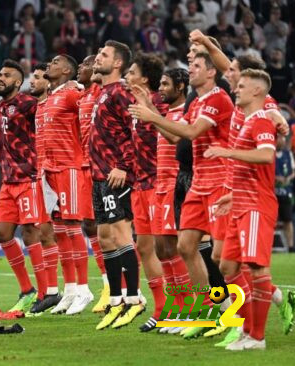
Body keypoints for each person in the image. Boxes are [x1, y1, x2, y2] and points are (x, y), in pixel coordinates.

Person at [129, 52, 234, 334]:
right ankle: (203, 310)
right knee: (184, 247)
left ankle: (243, 307)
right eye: (191, 65)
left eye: (197, 66)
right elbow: (176, 136)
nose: (191, 70)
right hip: (198, 183)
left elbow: (192, 132)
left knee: (223, 259)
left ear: (211, 72)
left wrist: (152, 114)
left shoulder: (218, 98)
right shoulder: (197, 102)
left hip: (219, 182)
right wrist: (151, 110)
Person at [205, 69, 295, 351]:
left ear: (257, 91)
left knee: (256, 270)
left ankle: (256, 337)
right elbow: (249, 170)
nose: (236, 89)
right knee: (227, 266)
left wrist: (227, 152)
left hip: (256, 206)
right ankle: (247, 330)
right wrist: (231, 197)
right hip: (240, 204)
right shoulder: (247, 121)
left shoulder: (261, 121)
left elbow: (267, 155)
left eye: (242, 86)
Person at [91, 42, 143, 330]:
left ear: (118, 64)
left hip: (116, 175)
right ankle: (115, 300)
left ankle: (134, 299)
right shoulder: (103, 92)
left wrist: (123, 166)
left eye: (104, 55)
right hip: (99, 176)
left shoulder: (121, 92)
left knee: (121, 234)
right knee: (105, 237)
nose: (98, 57)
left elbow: (135, 129)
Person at [41, 54, 93, 315]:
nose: (48, 65)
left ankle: (84, 288)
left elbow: (90, 104)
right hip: (51, 170)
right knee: (59, 230)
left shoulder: (73, 94)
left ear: (65, 70)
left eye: (54, 62)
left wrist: (84, 87)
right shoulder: (52, 96)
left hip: (70, 168)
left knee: (72, 227)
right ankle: (70, 288)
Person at [0, 59, 47, 314]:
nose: (0, 78)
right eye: (0, 74)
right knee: (3, 235)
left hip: (28, 178)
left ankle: (46, 292)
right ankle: (27, 290)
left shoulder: (28, 104)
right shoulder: (0, 107)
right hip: (8, 181)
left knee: (30, 234)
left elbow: (47, 115)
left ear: (18, 82)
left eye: (6, 75)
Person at [124, 52, 169, 332]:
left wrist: (152, 109)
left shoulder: (162, 104)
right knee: (144, 247)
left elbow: (174, 134)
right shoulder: (133, 105)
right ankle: (161, 307)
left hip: (158, 183)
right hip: (140, 184)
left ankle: (188, 306)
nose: (127, 77)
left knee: (169, 250)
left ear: (144, 78)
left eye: (132, 72)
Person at [146, 68, 192, 335]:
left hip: (177, 186)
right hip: (160, 186)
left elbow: (178, 139)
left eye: (165, 84)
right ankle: (176, 307)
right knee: (162, 249)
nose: (161, 88)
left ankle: (190, 308)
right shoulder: (167, 114)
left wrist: (151, 116)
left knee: (178, 249)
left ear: (181, 86)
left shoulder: (186, 113)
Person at [28, 62, 63, 314]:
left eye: (38, 78)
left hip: (59, 172)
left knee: (61, 231)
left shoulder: (58, 104)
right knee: (44, 232)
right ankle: (52, 291)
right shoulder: (34, 108)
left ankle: (76, 288)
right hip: (40, 173)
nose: (33, 81)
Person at [76, 55, 108, 313]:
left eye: (84, 65)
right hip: (85, 166)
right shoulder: (82, 96)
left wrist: (98, 64)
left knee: (107, 228)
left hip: (103, 167)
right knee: (90, 226)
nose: (81, 69)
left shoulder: (99, 92)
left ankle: (118, 286)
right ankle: (109, 284)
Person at [274, 134, 295, 251]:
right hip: (272, 193)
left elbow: (293, 172)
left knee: (288, 220)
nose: (282, 141)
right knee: (272, 221)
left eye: (283, 139)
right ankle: (271, 245)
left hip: (286, 192)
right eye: (280, 139)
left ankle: (291, 246)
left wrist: (288, 178)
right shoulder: (269, 153)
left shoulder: (288, 154)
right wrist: (275, 178)